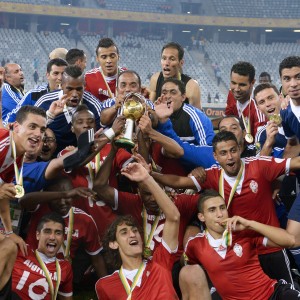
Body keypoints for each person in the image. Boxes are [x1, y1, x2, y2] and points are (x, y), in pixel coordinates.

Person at [152, 130, 300, 284]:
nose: (230, 157)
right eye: (223, 153)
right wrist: (151, 174)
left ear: (240, 150)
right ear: (215, 157)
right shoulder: (212, 176)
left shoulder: (259, 165)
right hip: (240, 253)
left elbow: (295, 162)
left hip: (271, 247)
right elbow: (178, 182)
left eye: (233, 151)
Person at [181, 189, 300, 300]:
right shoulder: (195, 244)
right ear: (201, 217)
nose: (219, 214)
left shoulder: (244, 233)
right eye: (212, 210)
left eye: (222, 208)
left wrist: (250, 224)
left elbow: (290, 241)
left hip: (272, 295)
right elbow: (187, 264)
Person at [95, 162, 181, 299]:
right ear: (113, 244)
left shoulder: (160, 262)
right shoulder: (104, 285)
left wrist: (146, 178)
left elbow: (174, 217)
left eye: (135, 230)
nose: (132, 234)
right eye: (124, 232)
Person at [20, 176, 107, 279]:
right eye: (57, 197)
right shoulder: (39, 208)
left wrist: (105, 285)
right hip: (32, 267)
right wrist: (65, 194)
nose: (62, 202)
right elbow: (23, 200)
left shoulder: (85, 220)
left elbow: (96, 258)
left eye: (68, 196)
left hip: (60, 273)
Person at [0, 105, 46, 256]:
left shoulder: (17, 156)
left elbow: (3, 197)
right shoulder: (3, 141)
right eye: (32, 126)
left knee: (10, 248)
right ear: (17, 127)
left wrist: (8, 232)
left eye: (42, 129)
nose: (38, 134)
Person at [35, 65, 102, 154]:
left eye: (79, 89)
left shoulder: (93, 105)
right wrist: (50, 116)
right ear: (61, 86)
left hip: (84, 156)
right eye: (69, 89)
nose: (74, 94)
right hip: (49, 158)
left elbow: (101, 135)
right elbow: (31, 129)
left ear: (84, 86)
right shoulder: (45, 102)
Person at [154, 78, 216, 170]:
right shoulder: (154, 113)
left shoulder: (197, 117)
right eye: (164, 92)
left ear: (183, 97)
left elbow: (208, 153)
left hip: (190, 170)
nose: (167, 96)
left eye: (173, 92)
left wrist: (199, 167)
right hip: (162, 168)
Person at [11, 212, 73, 299]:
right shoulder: (22, 249)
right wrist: (9, 235)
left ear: (63, 238)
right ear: (37, 235)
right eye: (47, 231)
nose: (52, 237)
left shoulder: (64, 267)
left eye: (58, 233)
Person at [4, 58, 68, 124]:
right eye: (56, 73)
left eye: (63, 74)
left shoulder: (74, 96)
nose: (60, 78)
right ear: (48, 75)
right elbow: (12, 118)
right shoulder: (33, 95)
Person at [212, 61, 265, 138]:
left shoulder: (259, 106)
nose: (236, 89)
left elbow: (260, 144)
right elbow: (227, 119)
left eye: (242, 85)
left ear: (252, 82)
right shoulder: (231, 94)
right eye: (233, 83)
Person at [149, 42, 202, 109]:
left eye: (172, 59)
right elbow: (150, 109)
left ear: (181, 63)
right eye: (164, 58)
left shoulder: (191, 86)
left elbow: (199, 117)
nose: (166, 63)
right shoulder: (155, 79)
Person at [85, 37, 126, 102]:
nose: (108, 61)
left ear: (118, 57)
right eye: (104, 57)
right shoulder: (88, 77)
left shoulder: (127, 76)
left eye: (112, 56)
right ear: (97, 59)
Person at [254, 83, 287, 158]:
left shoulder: (295, 119)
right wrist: (268, 142)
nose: (267, 104)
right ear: (258, 108)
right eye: (262, 102)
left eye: (270, 98)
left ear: (281, 98)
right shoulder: (260, 135)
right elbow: (259, 164)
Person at [279, 56, 300, 156]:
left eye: (298, 77)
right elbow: (293, 144)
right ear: (281, 81)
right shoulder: (284, 111)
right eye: (287, 79)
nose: (293, 84)